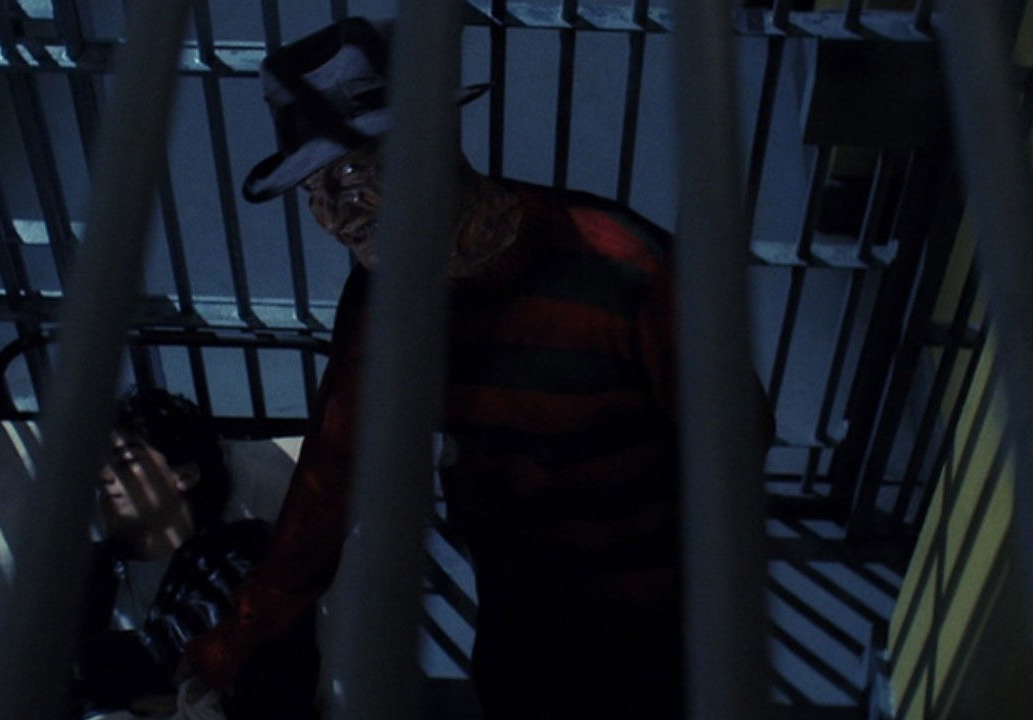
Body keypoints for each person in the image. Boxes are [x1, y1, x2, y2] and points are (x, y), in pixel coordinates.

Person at [182, 17, 773, 718]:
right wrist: (233, 644)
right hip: (520, 612)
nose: (334, 217)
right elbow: (330, 481)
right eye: (313, 191)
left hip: (657, 615)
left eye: (349, 174)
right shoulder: (380, 303)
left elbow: (736, 437)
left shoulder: (622, 267)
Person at [74, 388, 319, 720]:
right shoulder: (85, 572)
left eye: (126, 462)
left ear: (185, 475)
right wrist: (137, 701)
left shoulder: (240, 550)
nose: (104, 476)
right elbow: (39, 672)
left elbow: (182, 646)